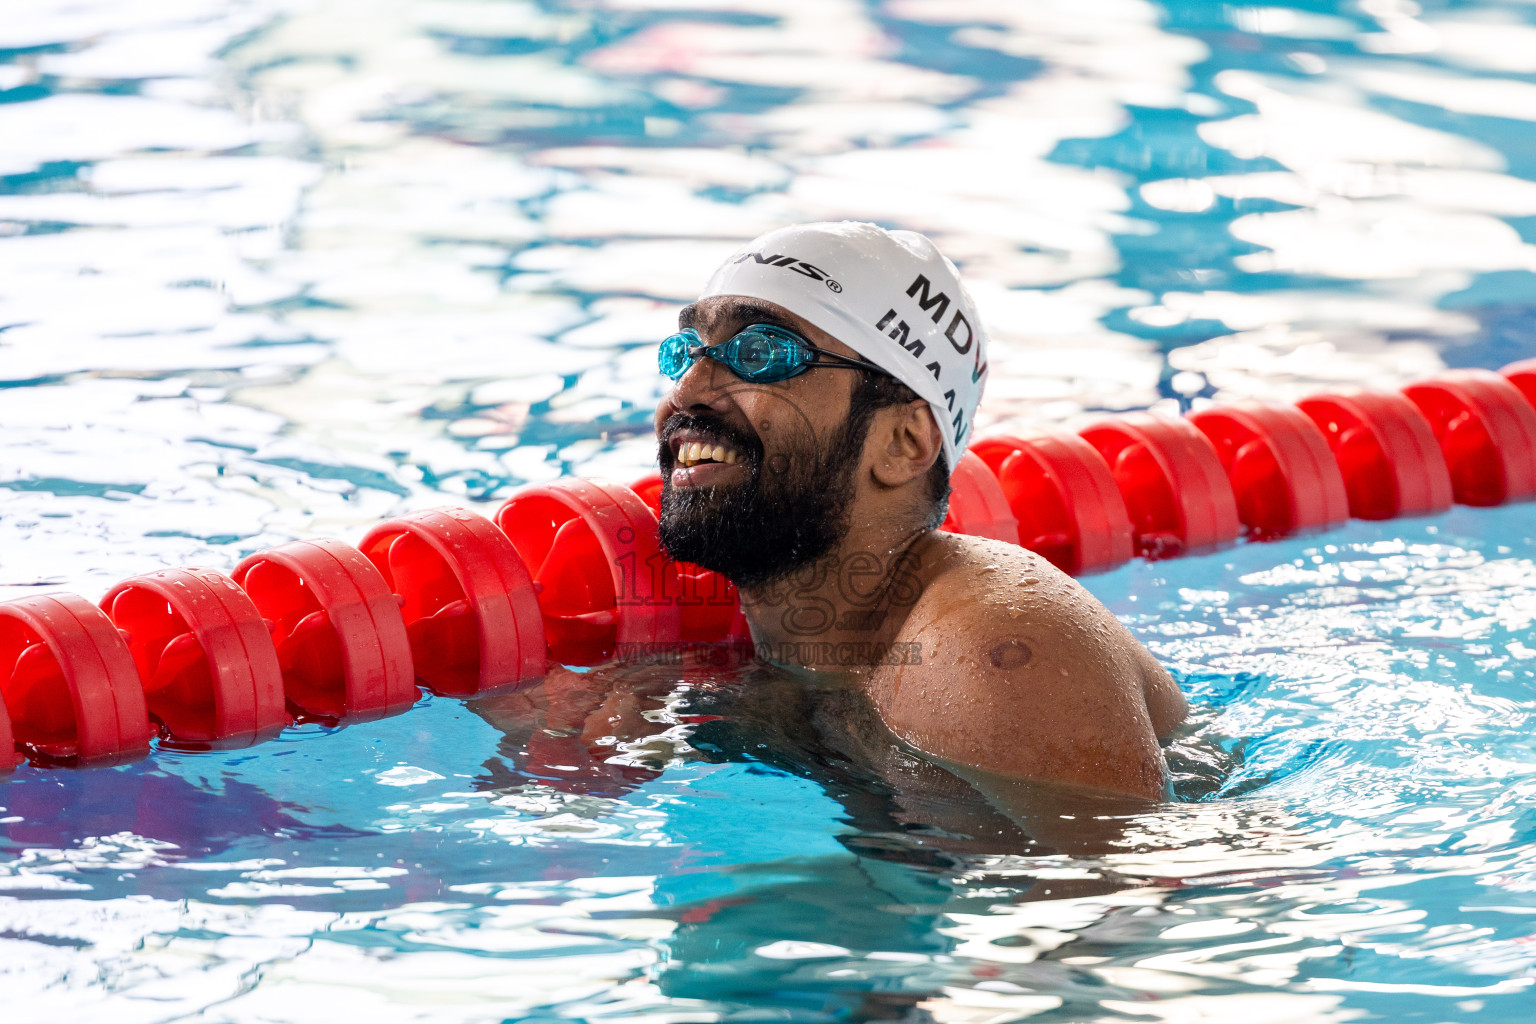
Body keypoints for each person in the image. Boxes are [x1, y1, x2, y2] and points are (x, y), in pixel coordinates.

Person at [651, 221, 1187, 802]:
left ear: (904, 443)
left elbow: (1125, 889)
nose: (687, 391)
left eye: (762, 353)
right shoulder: (803, 660)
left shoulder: (995, 651)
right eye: (686, 353)